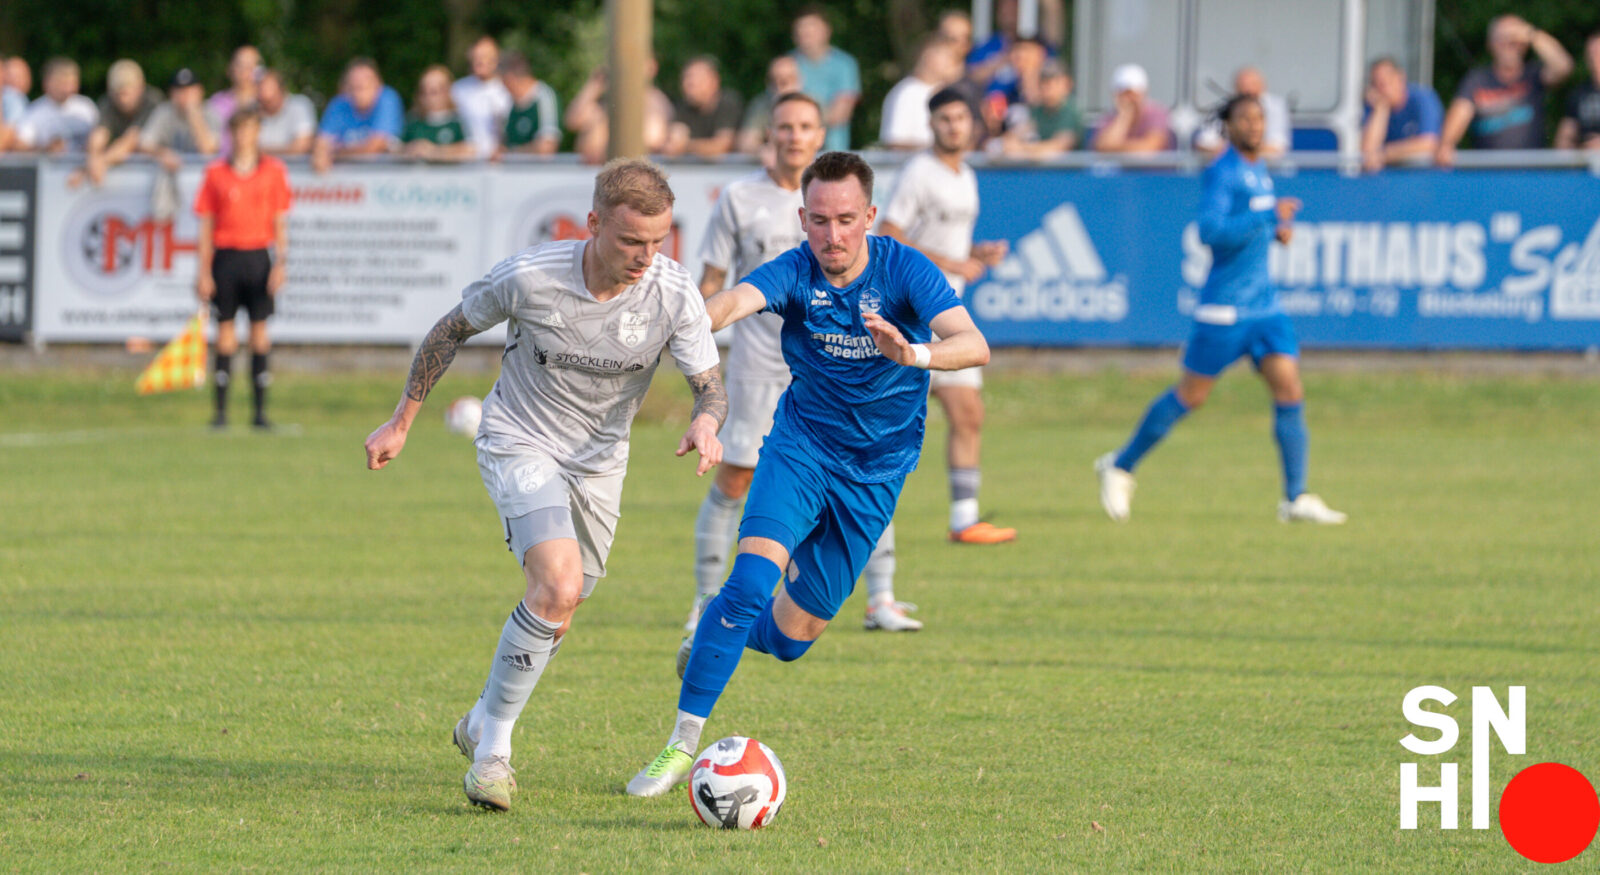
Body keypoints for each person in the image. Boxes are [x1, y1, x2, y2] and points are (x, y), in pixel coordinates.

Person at [364, 159, 726, 813]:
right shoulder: (530, 276)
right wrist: (401, 421)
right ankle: (492, 756)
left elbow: (710, 386)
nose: (645, 256)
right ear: (592, 224)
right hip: (520, 438)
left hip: (601, 464)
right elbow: (450, 330)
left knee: (562, 606)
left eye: (658, 241)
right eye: (630, 240)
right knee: (556, 584)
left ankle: (481, 717)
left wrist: (706, 420)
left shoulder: (673, 292)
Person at [625, 150, 991, 797]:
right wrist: (684, 319)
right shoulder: (796, 270)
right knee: (748, 583)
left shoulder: (906, 270)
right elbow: (734, 301)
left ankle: (718, 630)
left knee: (793, 638)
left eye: (846, 220)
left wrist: (913, 353)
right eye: (819, 220)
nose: (832, 235)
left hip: (875, 475)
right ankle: (679, 744)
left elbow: (975, 344)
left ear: (870, 216)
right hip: (801, 450)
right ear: (802, 219)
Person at [686, 93, 915, 634]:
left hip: (836, 369)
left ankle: (881, 597)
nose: (794, 136)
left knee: (864, 468)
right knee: (737, 478)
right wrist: (691, 339)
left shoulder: (840, 196)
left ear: (821, 134)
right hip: (760, 364)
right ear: (770, 132)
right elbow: (713, 281)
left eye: (806, 126)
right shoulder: (740, 197)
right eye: (785, 126)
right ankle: (704, 602)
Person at [1095, 95, 1345, 526]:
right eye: (1245, 118)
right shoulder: (1223, 171)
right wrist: (1265, 217)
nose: (1254, 125)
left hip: (1265, 307)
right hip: (1226, 308)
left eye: (1259, 117)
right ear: (1228, 126)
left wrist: (1275, 230)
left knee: (1289, 390)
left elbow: (1252, 225)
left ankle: (1295, 497)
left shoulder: (1258, 169)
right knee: (1191, 396)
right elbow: (1210, 232)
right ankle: (1120, 465)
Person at [879, 87, 1015, 546]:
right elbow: (890, 236)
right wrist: (953, 263)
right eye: (944, 119)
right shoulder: (919, 172)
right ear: (931, 124)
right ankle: (859, 512)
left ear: (972, 124)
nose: (953, 126)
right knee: (886, 425)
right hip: (907, 314)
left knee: (968, 412)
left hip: (947, 317)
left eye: (960, 118)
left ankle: (964, 519)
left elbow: (946, 241)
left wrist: (976, 253)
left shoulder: (966, 175)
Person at [193, 105, 292, 431]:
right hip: (226, 258)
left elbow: (280, 221)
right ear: (231, 134)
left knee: (260, 335)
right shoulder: (215, 173)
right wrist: (203, 271)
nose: (243, 136)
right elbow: (206, 225)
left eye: (249, 129)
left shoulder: (273, 171)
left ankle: (260, 413)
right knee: (225, 335)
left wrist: (281, 263)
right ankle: (220, 413)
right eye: (238, 130)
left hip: (258, 258)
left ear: (257, 133)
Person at [1436, 14, 1573, 165]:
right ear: (1490, 44)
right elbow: (1460, 112)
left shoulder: (1534, 75)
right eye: (1502, 39)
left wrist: (1531, 34)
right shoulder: (1477, 80)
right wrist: (1447, 144)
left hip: (1531, 172)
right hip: (1488, 172)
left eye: (1514, 41)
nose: (1509, 45)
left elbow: (1563, 67)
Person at [564, 61, 674, 164]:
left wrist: (605, 152)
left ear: (651, 67)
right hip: (592, 172)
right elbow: (573, 122)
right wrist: (595, 84)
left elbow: (653, 142)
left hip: (629, 173)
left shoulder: (656, 102)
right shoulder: (604, 103)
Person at [311, 58, 403, 173]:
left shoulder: (387, 99)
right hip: (343, 177)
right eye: (353, 84)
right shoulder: (339, 103)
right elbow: (321, 143)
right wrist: (322, 153)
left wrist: (334, 154)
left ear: (378, 84)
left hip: (381, 174)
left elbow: (374, 147)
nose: (358, 89)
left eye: (364, 83)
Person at [790, 6, 860, 152]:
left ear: (826, 31)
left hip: (832, 152)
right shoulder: (786, 64)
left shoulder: (845, 64)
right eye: (802, 30)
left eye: (812, 29)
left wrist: (798, 117)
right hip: (794, 151)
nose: (806, 34)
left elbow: (840, 114)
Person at [81, 59, 160, 186]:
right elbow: (99, 134)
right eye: (118, 95)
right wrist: (93, 157)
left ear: (140, 88)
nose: (123, 100)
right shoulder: (107, 102)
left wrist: (99, 162)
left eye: (126, 94)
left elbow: (131, 140)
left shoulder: (153, 102)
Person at [1359, 57, 1444, 172]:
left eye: (1384, 83)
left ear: (1400, 78)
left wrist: (1384, 154)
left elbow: (1429, 143)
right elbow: (1367, 153)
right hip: (1389, 177)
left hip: (1423, 174)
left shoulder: (1422, 99)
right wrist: (1380, 110)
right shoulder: (1374, 107)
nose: (1380, 90)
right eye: (1375, 84)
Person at [879, 36, 963, 151]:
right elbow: (894, 142)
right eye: (948, 56)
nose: (954, 63)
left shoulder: (943, 91)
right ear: (928, 57)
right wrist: (939, 149)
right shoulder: (907, 93)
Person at [1195, 67, 1288, 158]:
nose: (1254, 127)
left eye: (1259, 118)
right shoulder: (1225, 107)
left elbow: (1277, 147)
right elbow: (1203, 142)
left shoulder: (1275, 107)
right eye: (1245, 119)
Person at [140, 68, 221, 171]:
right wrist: (162, 153)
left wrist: (194, 116)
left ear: (200, 91)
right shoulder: (164, 111)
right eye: (179, 91)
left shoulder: (211, 113)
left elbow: (208, 150)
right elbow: (144, 144)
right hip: (170, 174)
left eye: (189, 90)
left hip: (202, 173)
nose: (184, 95)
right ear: (171, 93)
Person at [12, 57, 98, 153]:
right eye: (62, 82)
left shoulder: (86, 106)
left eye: (71, 82)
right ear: (47, 83)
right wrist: (46, 149)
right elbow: (20, 144)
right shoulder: (35, 111)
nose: (67, 88)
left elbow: (101, 135)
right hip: (48, 163)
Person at [1001, 60, 1084, 157]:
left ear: (1066, 84)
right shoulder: (1037, 110)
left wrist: (1022, 148)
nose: (1047, 87)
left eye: (1052, 82)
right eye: (1043, 82)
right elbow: (1012, 138)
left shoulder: (1072, 111)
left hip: (1071, 166)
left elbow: (1059, 146)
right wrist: (1014, 143)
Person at [666, 56, 743, 159]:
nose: (690, 84)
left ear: (714, 81)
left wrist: (686, 146)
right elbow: (670, 145)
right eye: (686, 78)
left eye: (698, 79)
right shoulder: (682, 107)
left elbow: (722, 146)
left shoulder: (728, 103)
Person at [1091, 63, 1173, 153]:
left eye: (1132, 94)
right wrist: (1124, 117)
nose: (1128, 99)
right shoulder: (1110, 117)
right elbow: (1102, 146)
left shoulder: (1156, 113)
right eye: (1123, 94)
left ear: (1143, 93)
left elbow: (1150, 148)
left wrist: (1114, 148)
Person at [452, 36, 511, 160]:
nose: (480, 61)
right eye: (476, 57)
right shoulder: (457, 89)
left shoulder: (507, 90)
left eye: (485, 56)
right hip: (465, 161)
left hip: (500, 162)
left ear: (496, 59)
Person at [401, 65, 475, 163]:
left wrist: (435, 151)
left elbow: (470, 149)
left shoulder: (457, 121)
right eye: (424, 91)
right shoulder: (413, 121)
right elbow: (394, 148)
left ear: (447, 91)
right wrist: (411, 148)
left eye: (434, 91)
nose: (429, 97)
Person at [736, 55, 802, 156]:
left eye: (786, 80)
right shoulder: (761, 105)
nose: (779, 85)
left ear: (799, 80)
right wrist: (763, 151)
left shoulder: (813, 104)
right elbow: (746, 142)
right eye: (774, 80)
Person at [497, 52, 560, 156]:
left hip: (535, 167)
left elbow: (547, 147)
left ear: (510, 78)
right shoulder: (509, 102)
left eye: (502, 81)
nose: (501, 86)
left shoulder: (544, 97)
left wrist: (510, 154)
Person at [208, 45, 261, 154]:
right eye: (240, 65)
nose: (244, 71)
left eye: (250, 66)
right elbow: (211, 143)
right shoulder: (216, 102)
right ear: (230, 68)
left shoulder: (267, 102)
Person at [1555, 32, 1600, 151]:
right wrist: (1580, 150)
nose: (1596, 58)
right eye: (1593, 53)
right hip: (1587, 160)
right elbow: (1564, 139)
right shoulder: (1579, 94)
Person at [255, 69, 316, 156]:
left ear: (282, 91)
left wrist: (262, 152)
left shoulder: (299, 105)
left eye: (271, 99)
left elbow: (302, 146)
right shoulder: (253, 111)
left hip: (297, 164)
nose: (265, 98)